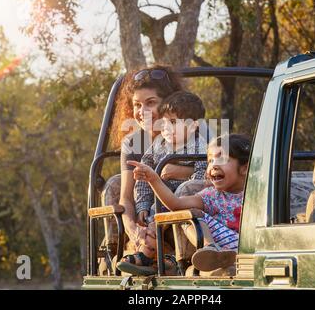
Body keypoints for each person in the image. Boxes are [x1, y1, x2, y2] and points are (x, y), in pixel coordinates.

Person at [103, 65, 196, 272]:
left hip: (180, 209)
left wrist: (178, 172)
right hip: (148, 214)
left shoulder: (190, 129)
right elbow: (126, 197)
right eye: (137, 105)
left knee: (186, 188)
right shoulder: (134, 141)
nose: (142, 112)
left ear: (169, 102)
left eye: (150, 103)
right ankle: (121, 251)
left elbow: (211, 172)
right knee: (114, 183)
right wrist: (133, 229)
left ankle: (182, 256)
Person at [128, 134, 250, 273]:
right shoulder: (211, 195)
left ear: (244, 168)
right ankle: (210, 249)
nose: (213, 165)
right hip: (225, 249)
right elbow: (175, 204)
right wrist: (154, 179)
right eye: (210, 160)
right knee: (187, 214)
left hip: (253, 246)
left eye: (221, 158)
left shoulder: (259, 192)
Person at [116, 91, 208, 275]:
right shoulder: (159, 144)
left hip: (184, 201)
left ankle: (147, 255)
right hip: (158, 201)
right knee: (151, 207)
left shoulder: (201, 147)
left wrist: (182, 177)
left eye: (173, 123)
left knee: (183, 190)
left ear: (192, 127)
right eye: (164, 122)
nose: (165, 128)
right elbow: (143, 174)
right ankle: (154, 255)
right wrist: (142, 205)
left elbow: (202, 179)